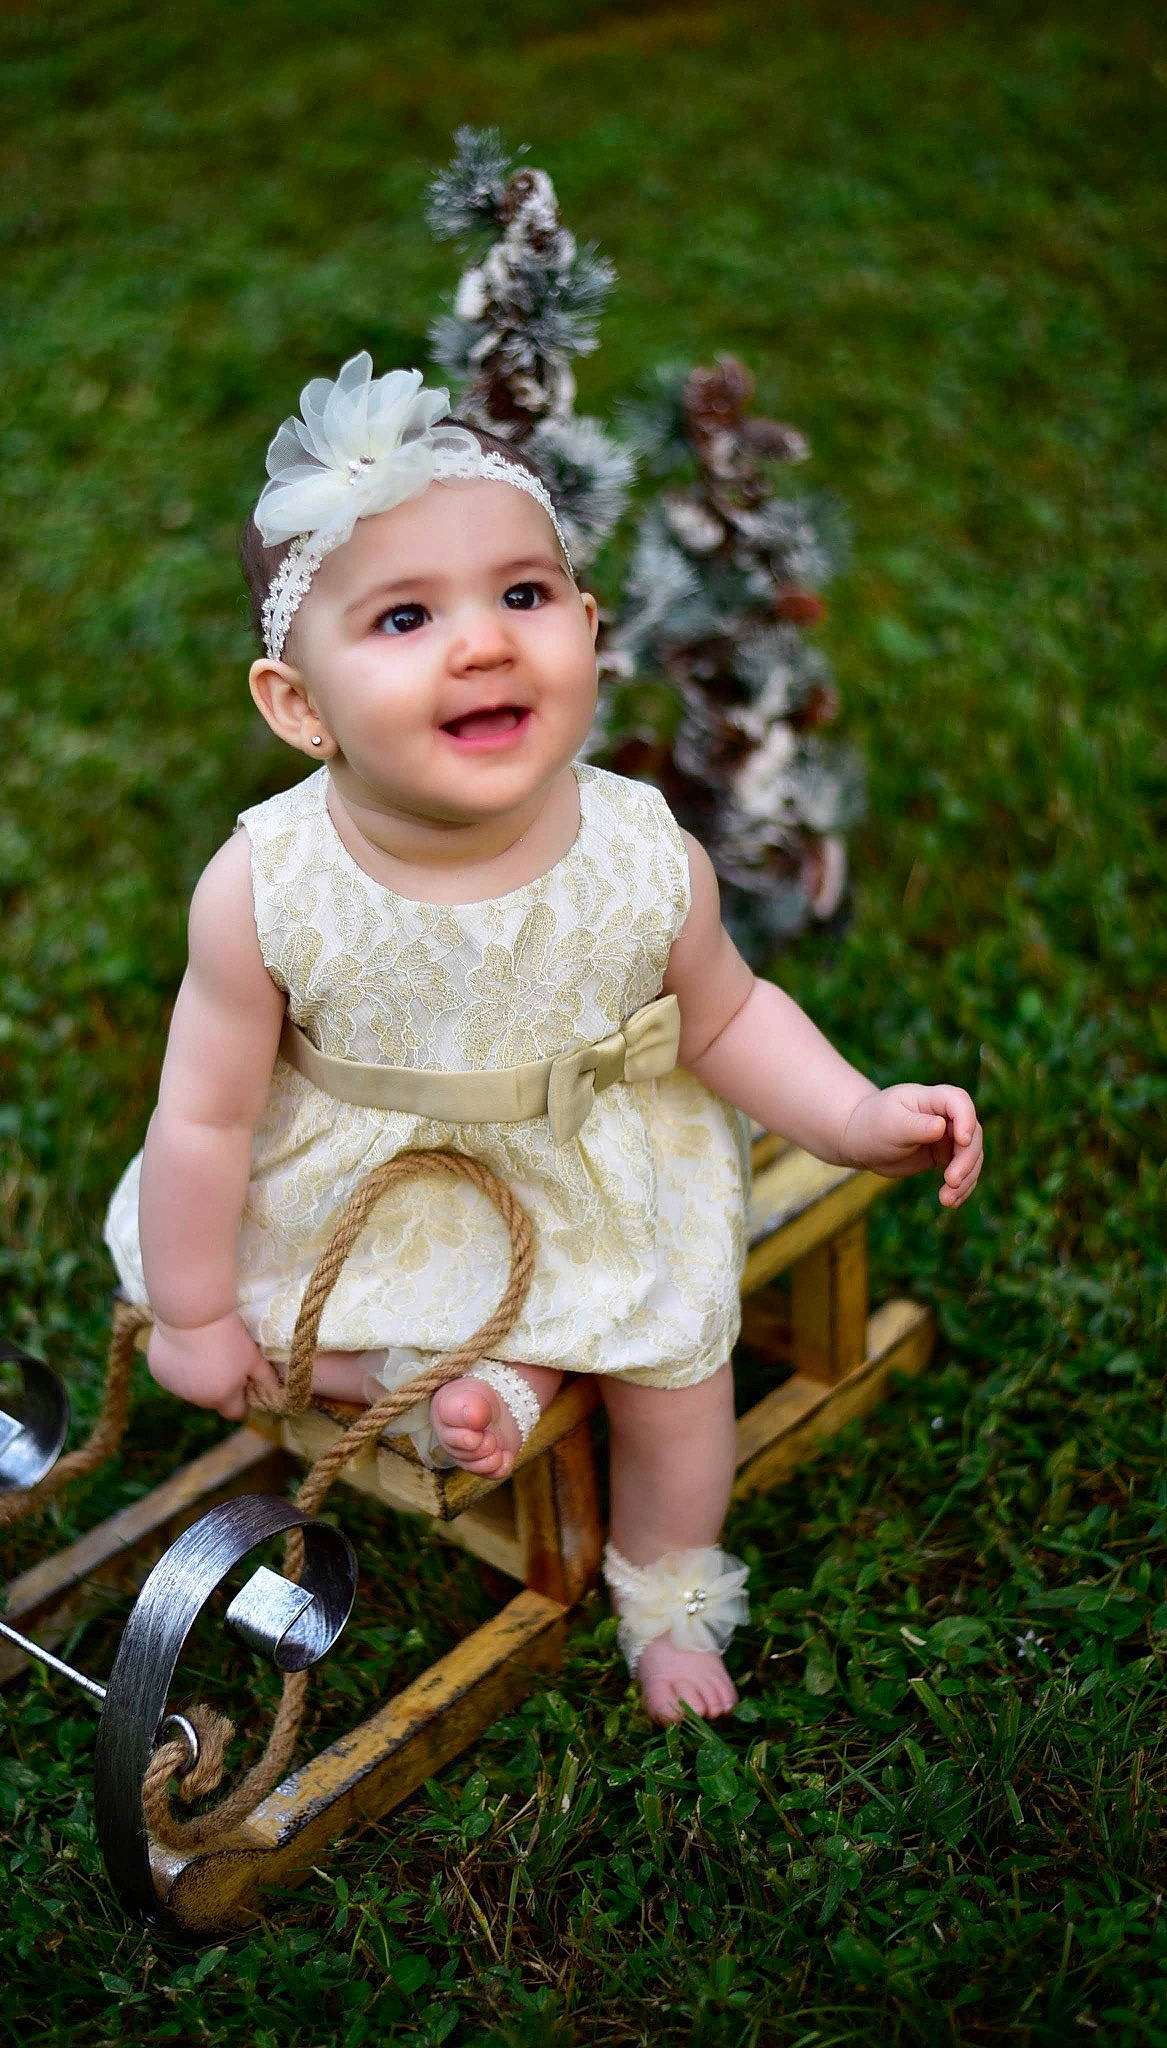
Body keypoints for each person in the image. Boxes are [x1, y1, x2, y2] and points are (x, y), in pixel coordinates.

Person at [104, 353, 983, 1725]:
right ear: (297, 705)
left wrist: (858, 1117)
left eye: (523, 595)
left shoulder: (640, 847)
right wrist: (202, 1308)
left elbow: (731, 1013)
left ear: (587, 623)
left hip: (588, 1176)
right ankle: (446, 1367)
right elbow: (206, 1118)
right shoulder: (265, 887)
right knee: (239, 1312)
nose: (483, 642)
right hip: (372, 1184)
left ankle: (668, 1586)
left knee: (675, 1377)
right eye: (404, 616)